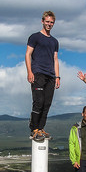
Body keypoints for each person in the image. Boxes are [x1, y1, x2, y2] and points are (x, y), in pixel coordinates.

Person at [26, 11, 60, 141]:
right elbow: (28, 54)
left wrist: (57, 77)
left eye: (51, 22)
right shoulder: (35, 37)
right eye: (47, 22)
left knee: (47, 104)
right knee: (38, 102)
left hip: (51, 75)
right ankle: (33, 128)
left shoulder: (55, 41)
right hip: (38, 73)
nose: (49, 24)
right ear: (42, 21)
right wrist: (30, 71)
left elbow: (55, 59)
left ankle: (40, 128)